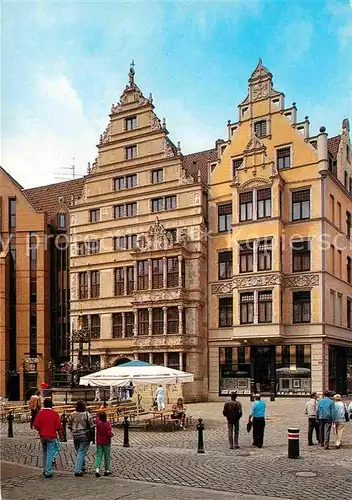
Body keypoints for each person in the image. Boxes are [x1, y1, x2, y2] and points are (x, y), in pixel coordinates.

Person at [33, 398, 62, 478]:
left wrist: (40, 429)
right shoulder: (54, 414)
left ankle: (45, 468)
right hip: (52, 436)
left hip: (42, 436)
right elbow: (59, 427)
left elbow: (35, 425)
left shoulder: (40, 413)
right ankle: (48, 471)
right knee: (50, 453)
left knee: (45, 452)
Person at [68, 400, 94, 477]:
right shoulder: (86, 414)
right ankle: (77, 469)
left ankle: (82, 467)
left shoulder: (72, 414)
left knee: (79, 451)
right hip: (84, 435)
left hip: (75, 435)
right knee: (81, 452)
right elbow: (91, 425)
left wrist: (74, 431)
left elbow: (69, 425)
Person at [95, 411, 114, 477]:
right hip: (106, 442)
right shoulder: (107, 424)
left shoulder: (97, 423)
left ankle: (97, 469)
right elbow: (109, 433)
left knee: (98, 455)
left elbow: (96, 418)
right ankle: (107, 470)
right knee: (107, 456)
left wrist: (98, 414)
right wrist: (112, 435)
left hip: (99, 441)